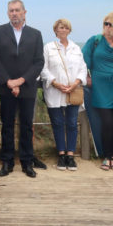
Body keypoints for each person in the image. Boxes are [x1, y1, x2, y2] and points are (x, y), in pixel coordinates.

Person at [0, 0, 44, 178]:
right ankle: (7, 161)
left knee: (27, 126)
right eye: (11, 11)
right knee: (6, 125)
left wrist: (20, 81)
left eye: (17, 10)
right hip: (5, 87)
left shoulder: (35, 34)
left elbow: (38, 62)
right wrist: (8, 81)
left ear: (24, 12)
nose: (14, 13)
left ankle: (27, 162)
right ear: (8, 13)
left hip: (27, 87)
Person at [83, 12, 113, 171]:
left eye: (110, 24)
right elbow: (82, 61)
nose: (106, 27)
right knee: (107, 122)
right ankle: (106, 157)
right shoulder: (95, 41)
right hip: (100, 88)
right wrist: (87, 78)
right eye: (105, 23)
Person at [40, 18, 87, 171]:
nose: (63, 30)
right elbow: (43, 68)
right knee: (58, 123)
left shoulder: (76, 48)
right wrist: (55, 83)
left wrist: (75, 83)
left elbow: (83, 68)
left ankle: (71, 155)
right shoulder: (49, 48)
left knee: (72, 123)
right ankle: (61, 154)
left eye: (66, 27)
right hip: (54, 91)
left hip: (73, 91)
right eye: (60, 27)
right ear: (55, 30)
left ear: (69, 30)